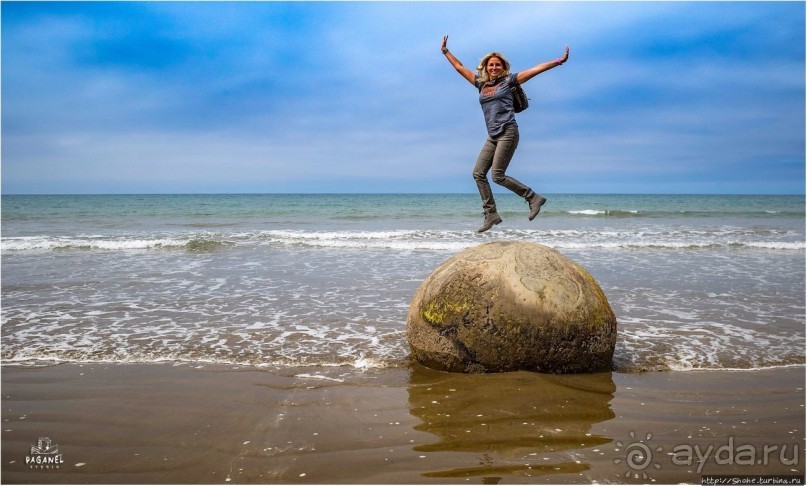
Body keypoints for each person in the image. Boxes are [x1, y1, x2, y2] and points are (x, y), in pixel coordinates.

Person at [441, 36, 569, 233]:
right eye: (490, 65)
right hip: (492, 135)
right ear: (485, 67)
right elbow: (459, 67)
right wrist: (446, 52)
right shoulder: (481, 85)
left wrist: (558, 61)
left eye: (497, 65)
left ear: (503, 67)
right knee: (478, 173)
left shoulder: (509, 81)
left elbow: (536, 70)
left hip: (508, 131)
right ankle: (491, 214)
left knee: (497, 175)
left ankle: (533, 197)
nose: (493, 67)